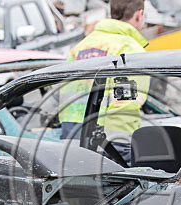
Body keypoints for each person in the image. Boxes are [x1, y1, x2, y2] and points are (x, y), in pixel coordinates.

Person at [58, 0, 149, 163]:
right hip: (110, 143)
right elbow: (126, 102)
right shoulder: (130, 49)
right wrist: (119, 147)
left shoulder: (80, 47)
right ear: (139, 14)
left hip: (71, 137)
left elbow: (65, 93)